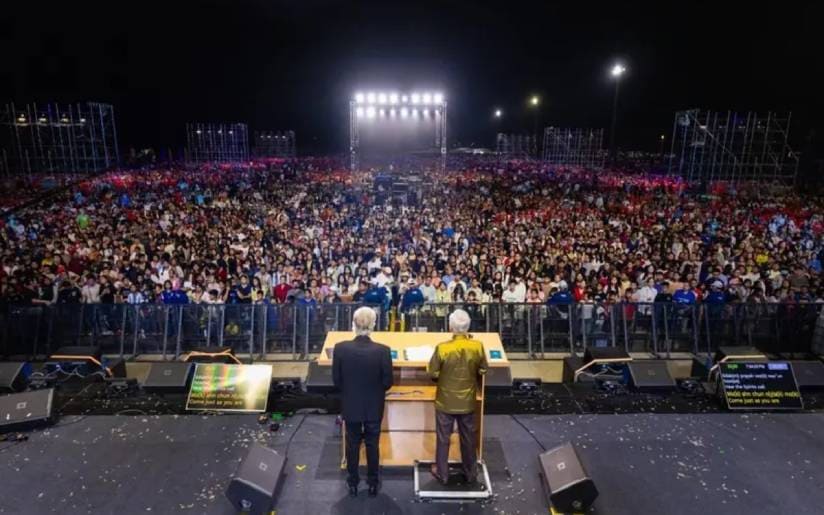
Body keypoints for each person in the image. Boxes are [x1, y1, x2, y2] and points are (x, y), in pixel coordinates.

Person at [332, 307, 393, 498]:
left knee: (352, 444)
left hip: (351, 405)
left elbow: (336, 381)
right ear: (373, 325)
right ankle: (373, 483)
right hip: (374, 406)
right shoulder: (383, 351)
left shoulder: (340, 349)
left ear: (354, 324)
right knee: (372, 444)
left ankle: (353, 483)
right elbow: (387, 382)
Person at [427, 309, 488, 485]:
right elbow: (483, 369)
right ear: (468, 327)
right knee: (468, 438)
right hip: (467, 400)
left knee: (443, 438)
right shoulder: (477, 346)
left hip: (445, 401)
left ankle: (442, 473)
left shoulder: (442, 348)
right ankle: (471, 473)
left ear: (450, 327)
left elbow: (432, 372)